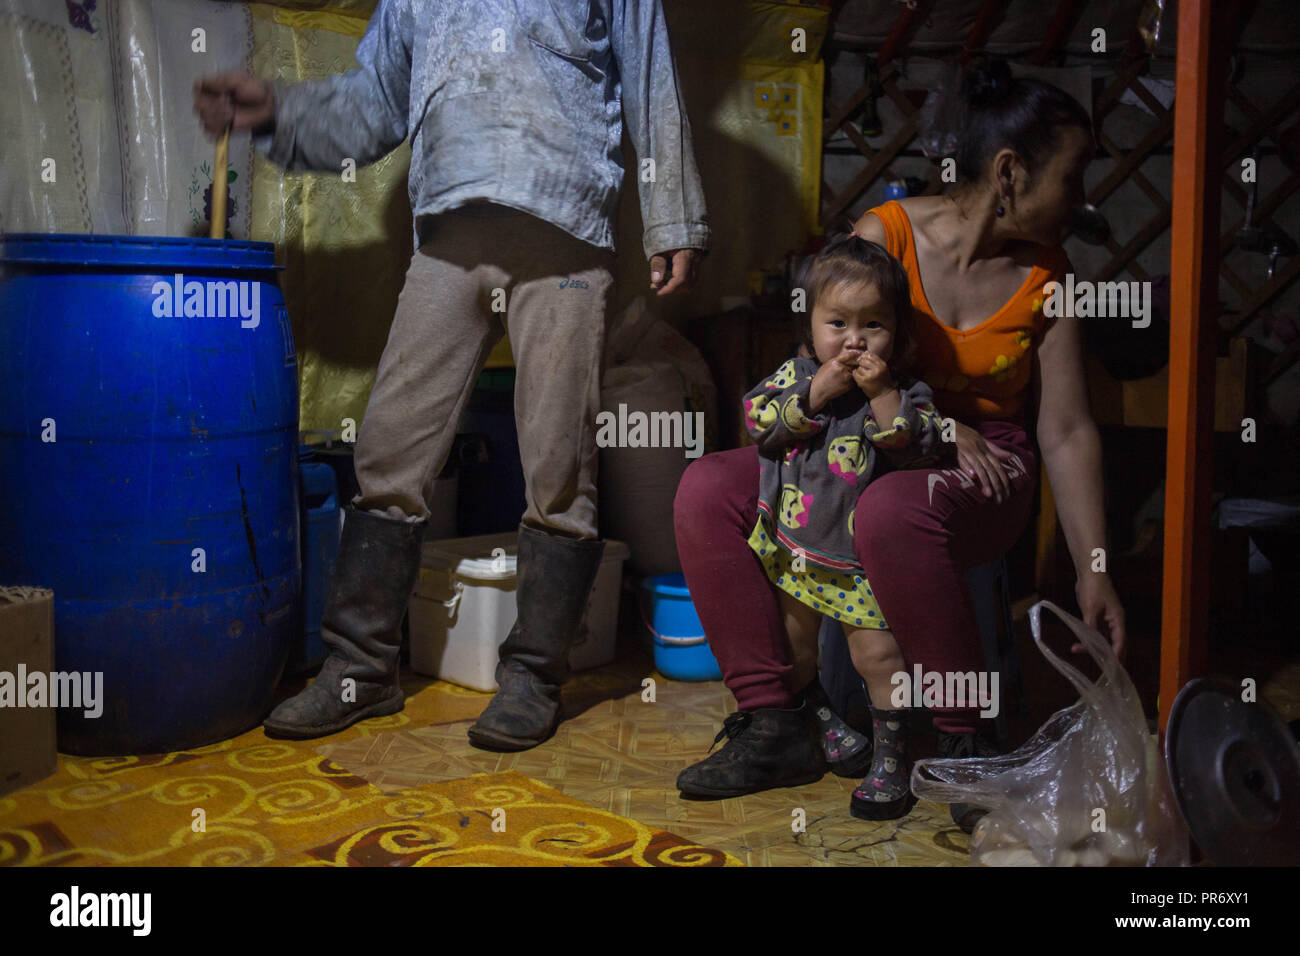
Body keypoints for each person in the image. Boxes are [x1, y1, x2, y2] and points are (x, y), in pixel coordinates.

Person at [193, 0, 709, 749]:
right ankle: (360, 667)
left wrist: (674, 218)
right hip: (449, 233)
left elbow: (650, 77)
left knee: (559, 463)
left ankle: (533, 677)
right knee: (390, 446)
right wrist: (277, 112)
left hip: (562, 228)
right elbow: (373, 103)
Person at [673, 59, 1126, 831]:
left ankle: (965, 742)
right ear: (1011, 172)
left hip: (984, 465)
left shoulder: (1052, 276)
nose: (1083, 198)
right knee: (708, 488)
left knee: (891, 511)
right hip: (860, 440)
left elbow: (1066, 428)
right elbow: (824, 363)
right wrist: (928, 420)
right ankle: (778, 720)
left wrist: (1095, 570)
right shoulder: (886, 237)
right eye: (1074, 174)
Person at [677, 234, 945, 820]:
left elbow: (914, 445)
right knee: (796, 654)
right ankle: (825, 727)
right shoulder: (798, 375)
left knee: (879, 659)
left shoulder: (904, 394)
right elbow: (758, 421)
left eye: (873, 325)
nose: (854, 340)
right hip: (796, 548)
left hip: (861, 562)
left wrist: (881, 395)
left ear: (896, 333)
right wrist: (814, 392)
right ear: (811, 325)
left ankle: (890, 758)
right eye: (838, 323)